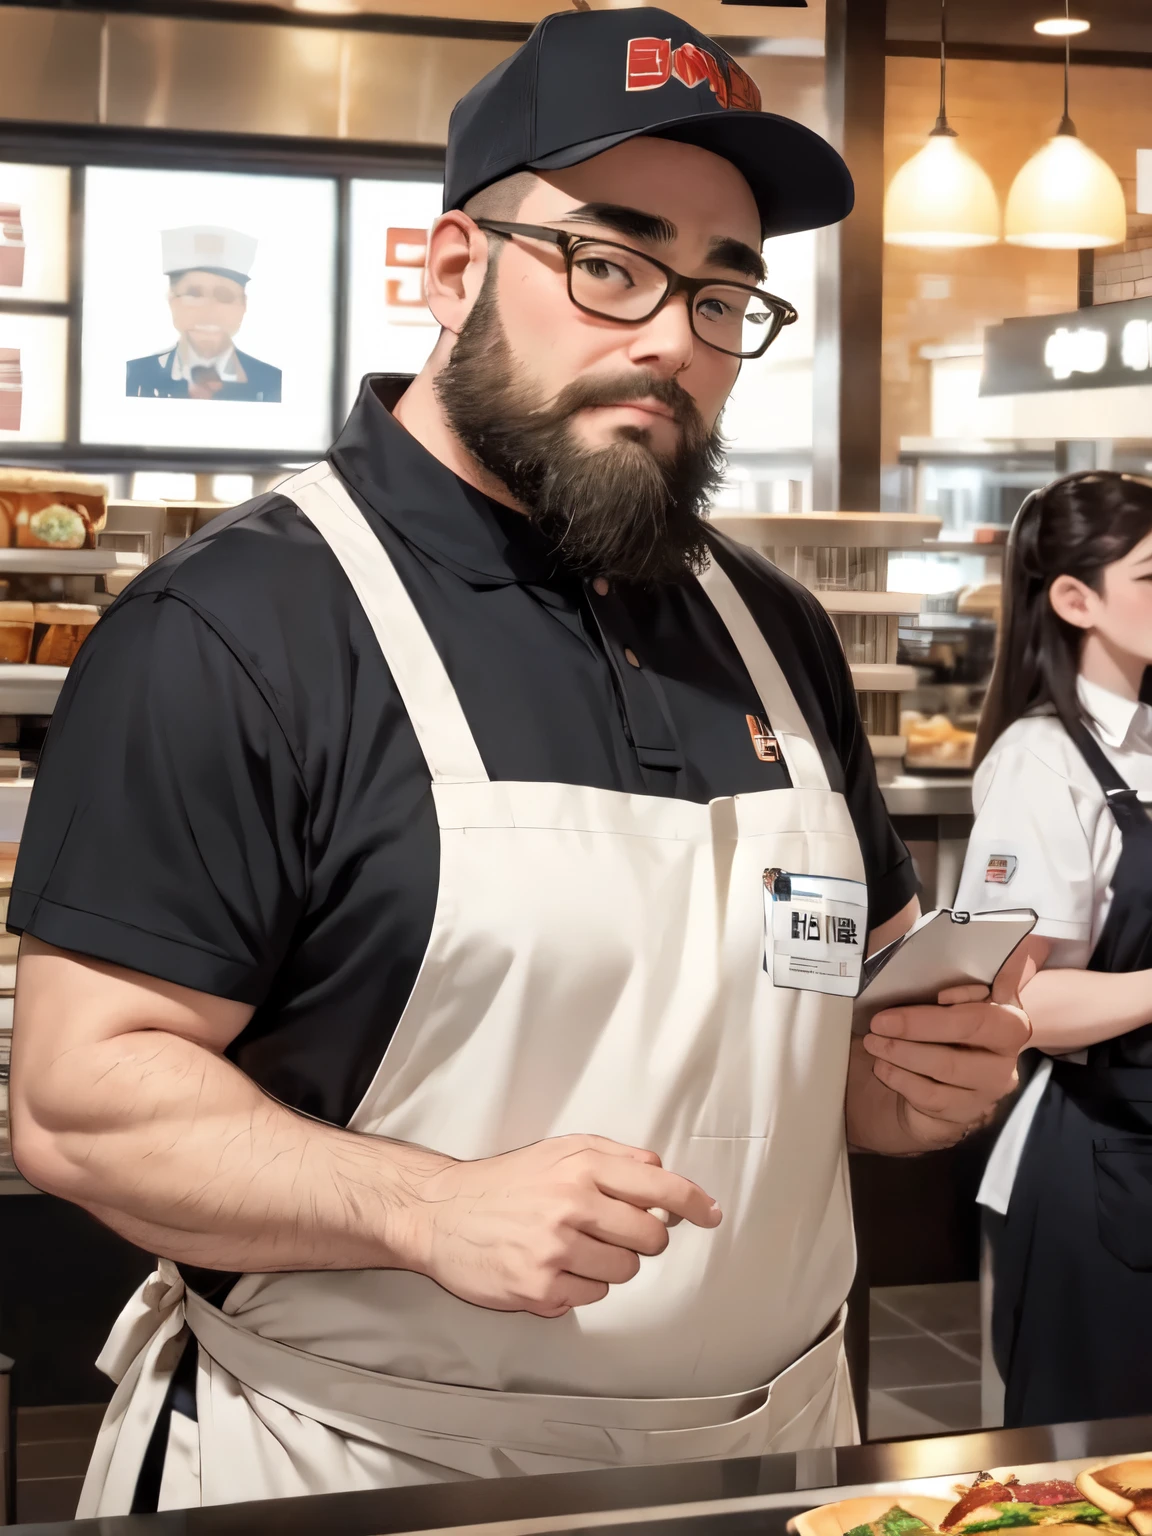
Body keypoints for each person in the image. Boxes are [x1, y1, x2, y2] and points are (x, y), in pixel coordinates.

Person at [12, 6, 1033, 1516]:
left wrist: (918, 1082)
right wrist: (427, 1206)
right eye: (609, 263)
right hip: (361, 1465)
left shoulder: (773, 632)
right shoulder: (239, 627)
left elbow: (840, 1037)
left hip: (778, 1453)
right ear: (450, 270)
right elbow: (81, 1102)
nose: (669, 338)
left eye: (722, 293)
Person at [955, 470, 1152, 1426]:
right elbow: (1017, 1004)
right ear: (1076, 600)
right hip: (1101, 1162)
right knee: (1081, 1468)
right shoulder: (1044, 762)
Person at [125, 225, 282, 402]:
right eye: (193, 294)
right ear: (172, 300)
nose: (209, 308)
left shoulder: (273, 382)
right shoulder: (133, 377)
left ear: (243, 305)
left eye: (224, 295)